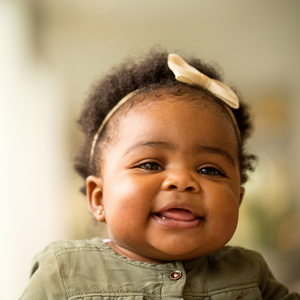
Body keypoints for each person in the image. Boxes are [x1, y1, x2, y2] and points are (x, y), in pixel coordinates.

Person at [20, 48, 300, 299]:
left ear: (237, 200)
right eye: (150, 164)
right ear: (99, 197)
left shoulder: (250, 273)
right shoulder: (65, 271)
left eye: (209, 169)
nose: (182, 180)